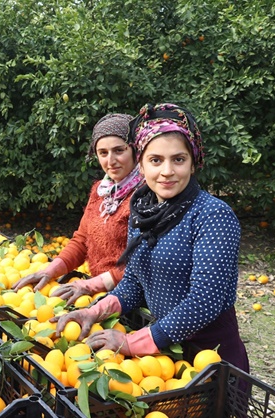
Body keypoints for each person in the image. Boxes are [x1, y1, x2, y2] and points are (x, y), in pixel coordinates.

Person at [53, 103, 249, 373]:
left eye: (178, 159)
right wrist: (94, 311)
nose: (167, 171)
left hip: (209, 356)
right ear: (142, 166)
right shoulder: (144, 211)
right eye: (156, 160)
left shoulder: (212, 215)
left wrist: (132, 342)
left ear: (193, 164)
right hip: (162, 354)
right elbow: (134, 281)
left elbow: (205, 300)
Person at [12, 113, 143, 303]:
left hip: (130, 299)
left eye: (119, 150)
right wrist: (51, 270)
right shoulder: (101, 191)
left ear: (134, 150)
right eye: (103, 153)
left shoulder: (146, 197)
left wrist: (92, 285)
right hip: (98, 295)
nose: (110, 160)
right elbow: (82, 240)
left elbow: (142, 265)